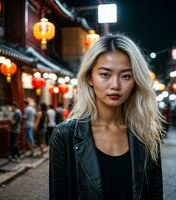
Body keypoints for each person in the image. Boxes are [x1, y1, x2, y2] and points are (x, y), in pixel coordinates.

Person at [49, 34, 163, 200]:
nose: (115, 85)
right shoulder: (65, 135)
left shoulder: (146, 133)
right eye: (105, 74)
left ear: (136, 81)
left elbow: (155, 194)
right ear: (89, 77)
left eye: (126, 76)